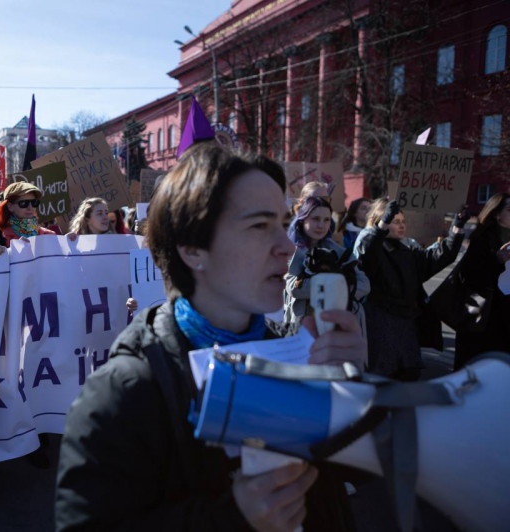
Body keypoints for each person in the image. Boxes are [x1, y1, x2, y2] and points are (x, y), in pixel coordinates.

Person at [56, 143, 365, 531]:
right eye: (259, 225)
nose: (287, 245)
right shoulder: (123, 392)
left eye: (282, 221)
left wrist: (350, 395)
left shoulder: (298, 354)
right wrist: (232, 518)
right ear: (192, 251)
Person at [354, 198, 467, 380]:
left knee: (408, 378)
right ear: (380, 222)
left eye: (403, 221)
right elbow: (368, 254)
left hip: (407, 327)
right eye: (395, 221)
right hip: (381, 325)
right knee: (382, 381)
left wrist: (457, 228)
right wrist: (382, 224)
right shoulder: (371, 247)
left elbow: (439, 256)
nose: (402, 226)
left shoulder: (408, 252)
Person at [284, 196, 370, 334]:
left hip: (337, 327)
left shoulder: (339, 252)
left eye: (326, 220)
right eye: (315, 219)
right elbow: (295, 289)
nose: (321, 225)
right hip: (302, 328)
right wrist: (338, 285)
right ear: (303, 219)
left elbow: (364, 285)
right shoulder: (290, 251)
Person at [453, 193, 510, 369]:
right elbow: (469, 274)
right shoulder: (481, 237)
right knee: (479, 366)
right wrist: (496, 260)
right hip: (484, 314)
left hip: (507, 315)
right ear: (496, 213)